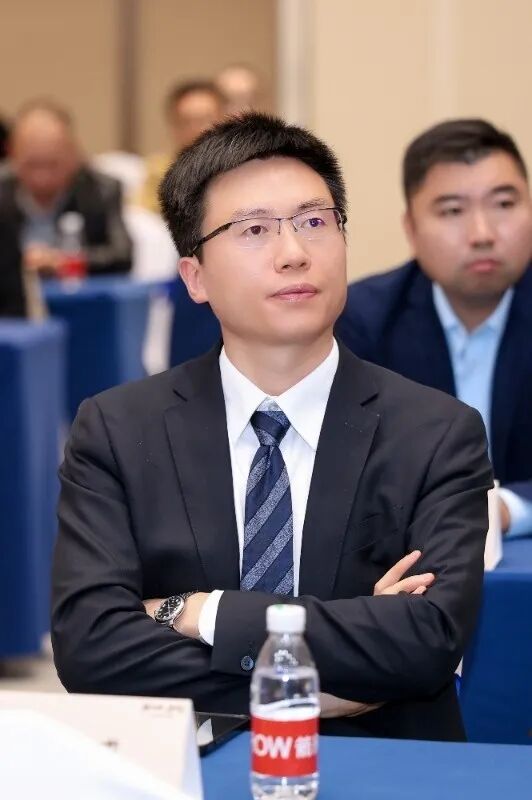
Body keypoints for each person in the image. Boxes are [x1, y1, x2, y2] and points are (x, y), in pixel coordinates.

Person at [52, 113, 492, 741]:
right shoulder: (118, 430)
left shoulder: (437, 432)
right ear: (195, 277)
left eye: (315, 222)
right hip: (188, 769)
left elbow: (426, 641)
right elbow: (91, 648)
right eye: (254, 230)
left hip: (385, 766)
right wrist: (314, 683)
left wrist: (198, 612)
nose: (294, 253)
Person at [336, 118, 532, 538]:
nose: (482, 234)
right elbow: (344, 473)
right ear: (411, 228)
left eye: (503, 204)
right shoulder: (362, 321)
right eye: (453, 211)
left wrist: (506, 509)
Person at [0, 100, 132, 317]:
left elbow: (122, 256)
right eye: (32, 164)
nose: (41, 178)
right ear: (11, 154)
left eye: (52, 164)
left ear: (74, 155)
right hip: (11, 314)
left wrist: (62, 262)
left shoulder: (102, 190)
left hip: (83, 309)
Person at [135, 80, 225, 215]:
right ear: (173, 127)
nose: (197, 129)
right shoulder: (158, 171)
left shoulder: (242, 168)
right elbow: (142, 217)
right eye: (186, 121)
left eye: (205, 120)